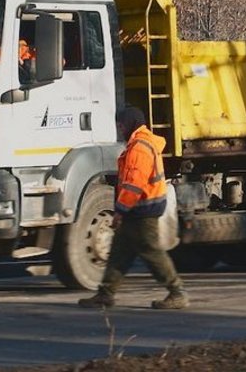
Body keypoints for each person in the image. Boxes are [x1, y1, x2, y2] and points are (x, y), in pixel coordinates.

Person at [78, 106, 188, 310]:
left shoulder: (139, 147)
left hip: (143, 209)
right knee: (120, 252)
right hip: (139, 208)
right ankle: (105, 294)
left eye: (121, 125)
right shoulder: (140, 143)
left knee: (151, 251)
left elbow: (133, 185)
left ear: (130, 124)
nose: (120, 129)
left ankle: (177, 292)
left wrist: (120, 210)